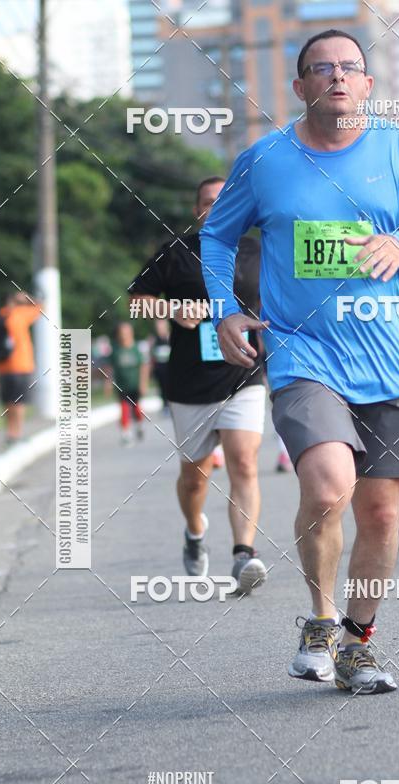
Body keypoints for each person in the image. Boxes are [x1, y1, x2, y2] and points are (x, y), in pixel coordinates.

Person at [201, 29, 399, 694]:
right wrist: (225, 309)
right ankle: (319, 619)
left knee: (380, 515)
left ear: (369, 86)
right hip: (302, 351)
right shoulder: (265, 160)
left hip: (386, 353)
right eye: (322, 69)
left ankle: (356, 642)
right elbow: (215, 235)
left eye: (351, 68)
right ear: (300, 87)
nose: (338, 78)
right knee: (326, 489)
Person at [128, 176, 268, 593]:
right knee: (195, 478)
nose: (215, 208)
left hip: (244, 374)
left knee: (244, 460)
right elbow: (137, 302)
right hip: (190, 380)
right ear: (197, 210)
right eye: (207, 202)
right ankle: (194, 530)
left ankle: (244, 553)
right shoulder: (176, 252)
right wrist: (173, 307)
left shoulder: (257, 251)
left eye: (223, 202)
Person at [0, 291, 41, 445]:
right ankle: (17, 434)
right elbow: (42, 307)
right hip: (21, 365)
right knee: (19, 402)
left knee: (8, 401)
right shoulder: (19, 315)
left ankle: (10, 433)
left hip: (2, 367)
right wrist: (28, 297)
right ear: (14, 301)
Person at [110, 322, 148, 445]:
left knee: (136, 408)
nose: (124, 336)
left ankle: (139, 425)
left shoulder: (136, 348)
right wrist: (108, 382)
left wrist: (143, 383)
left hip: (135, 385)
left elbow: (143, 366)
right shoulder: (116, 349)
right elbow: (109, 367)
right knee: (124, 409)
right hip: (121, 385)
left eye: (126, 333)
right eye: (122, 333)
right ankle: (125, 433)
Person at [150, 318, 170, 411]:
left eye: (162, 325)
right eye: (158, 326)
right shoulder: (153, 340)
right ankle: (165, 404)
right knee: (162, 387)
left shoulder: (170, 337)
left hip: (170, 367)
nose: (160, 328)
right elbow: (151, 355)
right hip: (159, 368)